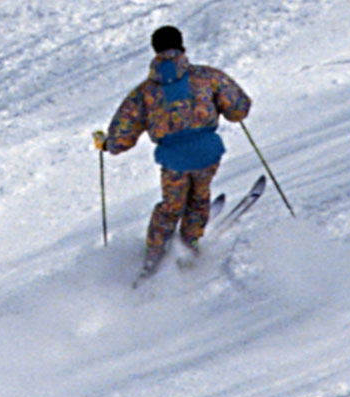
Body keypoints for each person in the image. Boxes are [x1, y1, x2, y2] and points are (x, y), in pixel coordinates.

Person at [95, 25, 253, 275]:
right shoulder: (207, 77)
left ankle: (154, 258)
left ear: (155, 51)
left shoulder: (144, 93)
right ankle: (189, 246)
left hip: (173, 160)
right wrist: (231, 111)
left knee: (170, 207)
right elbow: (238, 107)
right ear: (182, 47)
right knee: (199, 199)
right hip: (207, 153)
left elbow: (122, 134)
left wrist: (107, 144)